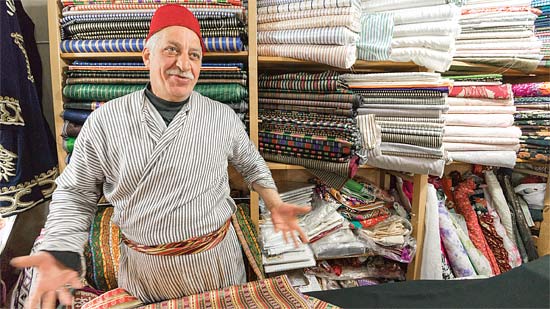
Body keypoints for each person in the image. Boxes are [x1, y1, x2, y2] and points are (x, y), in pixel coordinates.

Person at [11, 4, 310, 308]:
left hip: (218, 267)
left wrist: (274, 202)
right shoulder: (106, 121)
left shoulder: (222, 116)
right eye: (172, 50)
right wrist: (61, 250)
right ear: (147, 56)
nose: (184, 63)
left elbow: (251, 163)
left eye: (194, 55)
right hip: (146, 276)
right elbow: (75, 192)